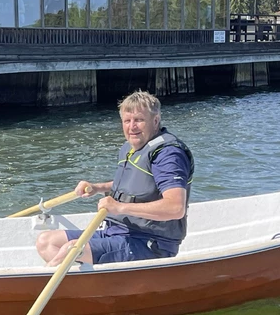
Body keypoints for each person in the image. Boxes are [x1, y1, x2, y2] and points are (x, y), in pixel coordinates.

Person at [35, 90, 194, 267]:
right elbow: (135, 185)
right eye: (127, 121)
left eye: (139, 120)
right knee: (46, 241)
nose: (132, 126)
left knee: (70, 249)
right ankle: (89, 285)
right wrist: (98, 187)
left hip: (149, 242)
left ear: (155, 121)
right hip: (115, 230)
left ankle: (54, 285)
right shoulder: (131, 147)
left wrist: (119, 207)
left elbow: (175, 207)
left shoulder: (168, 154)